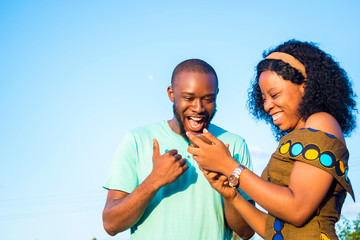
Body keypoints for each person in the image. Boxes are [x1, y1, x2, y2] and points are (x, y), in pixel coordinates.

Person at [187, 40, 357, 239]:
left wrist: (229, 166)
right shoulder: (296, 137)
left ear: (305, 86)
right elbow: (275, 231)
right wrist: (231, 195)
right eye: (264, 98)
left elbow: (297, 210)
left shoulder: (322, 122)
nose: (267, 105)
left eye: (274, 94)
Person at [102, 59, 255, 240]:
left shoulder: (234, 145)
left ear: (217, 95)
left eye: (208, 99)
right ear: (171, 94)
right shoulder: (137, 140)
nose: (198, 108)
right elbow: (111, 225)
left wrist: (228, 190)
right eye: (189, 98)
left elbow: (246, 232)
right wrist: (154, 181)